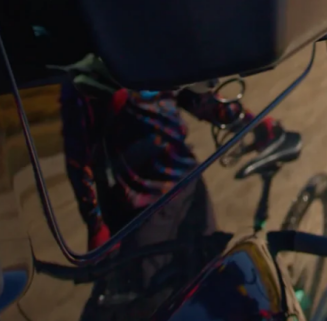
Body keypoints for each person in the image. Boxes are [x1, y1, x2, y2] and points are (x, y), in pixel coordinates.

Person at [58, 53, 283, 251]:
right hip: (139, 214)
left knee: (211, 272)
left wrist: (252, 123)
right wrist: (96, 225)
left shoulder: (154, 49)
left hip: (188, 187)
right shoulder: (85, 70)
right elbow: (78, 155)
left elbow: (197, 98)